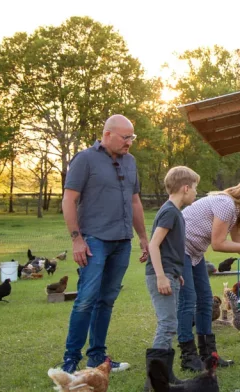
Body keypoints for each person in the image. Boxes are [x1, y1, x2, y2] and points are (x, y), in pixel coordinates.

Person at [59, 115, 149, 374]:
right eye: (125, 137)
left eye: (132, 137)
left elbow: (135, 202)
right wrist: (77, 239)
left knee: (107, 300)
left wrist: (142, 237)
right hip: (93, 240)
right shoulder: (85, 159)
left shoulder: (130, 162)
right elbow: (69, 200)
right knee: (86, 299)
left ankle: (97, 358)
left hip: (122, 241)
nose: (129, 143)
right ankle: (70, 361)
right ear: (107, 134)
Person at [177, 176, 240, 372]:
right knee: (188, 301)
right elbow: (218, 243)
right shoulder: (226, 204)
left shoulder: (237, 213)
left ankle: (208, 356)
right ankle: (188, 357)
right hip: (178, 248)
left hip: (194, 252)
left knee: (205, 300)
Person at [144, 166, 199, 388]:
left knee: (170, 324)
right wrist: (161, 276)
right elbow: (154, 245)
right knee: (167, 324)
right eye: (195, 188)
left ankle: (165, 375)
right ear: (185, 188)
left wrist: (176, 274)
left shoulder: (175, 212)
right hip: (162, 274)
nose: (196, 192)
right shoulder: (169, 212)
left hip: (171, 274)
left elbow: (169, 248)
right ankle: (154, 382)